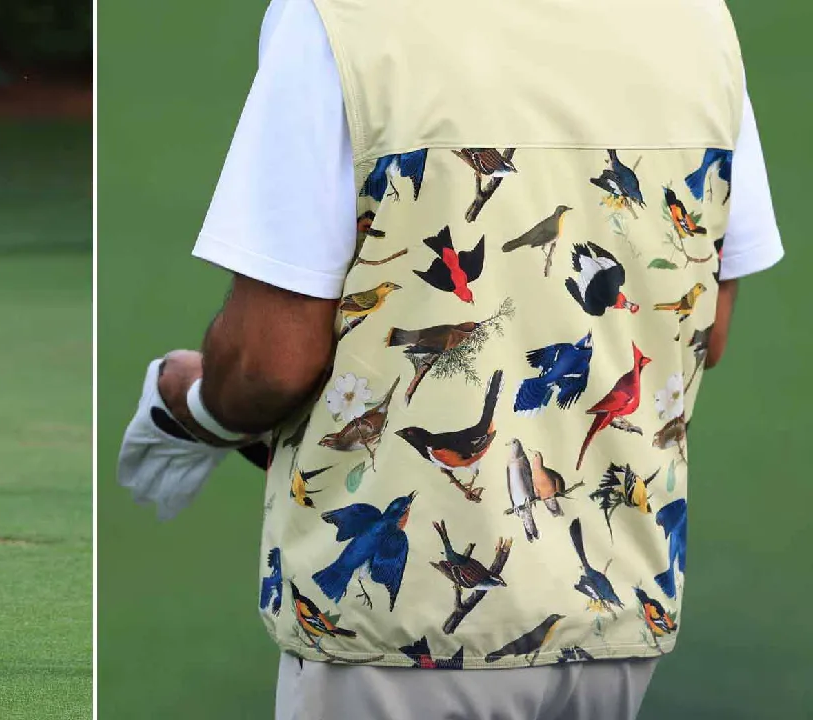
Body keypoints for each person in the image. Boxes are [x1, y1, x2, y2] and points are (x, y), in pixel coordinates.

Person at [117, 0, 783, 717]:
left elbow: (271, 361)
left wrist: (193, 407)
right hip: (619, 616)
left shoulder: (336, 18)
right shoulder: (698, 19)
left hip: (405, 632)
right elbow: (702, 329)